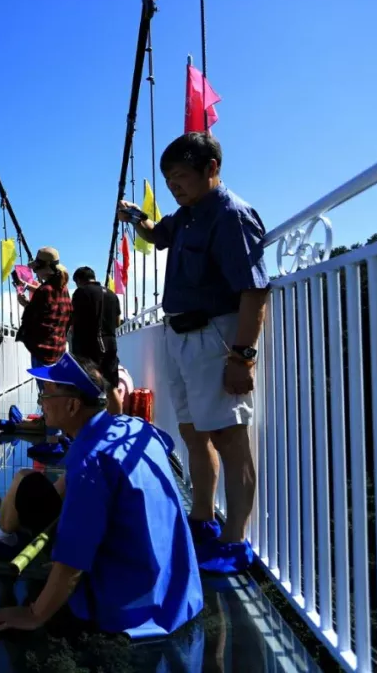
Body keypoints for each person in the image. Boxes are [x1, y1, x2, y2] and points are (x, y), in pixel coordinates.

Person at [0, 354, 203, 639]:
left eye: (46, 393)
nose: (41, 400)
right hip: (177, 582)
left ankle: (0, 534)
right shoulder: (132, 427)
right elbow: (163, 444)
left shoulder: (90, 465)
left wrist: (34, 613)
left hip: (133, 599)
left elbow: (72, 561)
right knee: (31, 484)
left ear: (72, 404)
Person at [118, 132, 269, 574]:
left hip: (214, 337)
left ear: (211, 169)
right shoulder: (185, 216)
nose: (174, 187)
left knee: (229, 437)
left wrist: (242, 357)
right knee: (191, 432)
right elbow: (155, 235)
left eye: (181, 177)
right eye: (169, 180)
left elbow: (254, 289)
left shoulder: (231, 216)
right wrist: (135, 217)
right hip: (178, 335)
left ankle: (235, 540)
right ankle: (203, 517)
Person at [16, 247, 72, 391]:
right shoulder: (63, 288)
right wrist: (28, 287)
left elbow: (30, 319)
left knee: (46, 395)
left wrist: (26, 305)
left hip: (42, 353)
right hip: (59, 350)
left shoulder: (43, 291)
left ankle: (47, 414)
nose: (35, 271)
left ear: (46, 268)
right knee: (57, 394)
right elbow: (51, 309)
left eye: (37, 268)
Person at [70, 266, 123, 414]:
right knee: (112, 388)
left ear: (79, 280)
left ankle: (88, 429)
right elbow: (117, 322)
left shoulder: (80, 293)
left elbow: (74, 320)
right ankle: (116, 424)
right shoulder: (112, 295)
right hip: (109, 344)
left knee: (86, 388)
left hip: (87, 345)